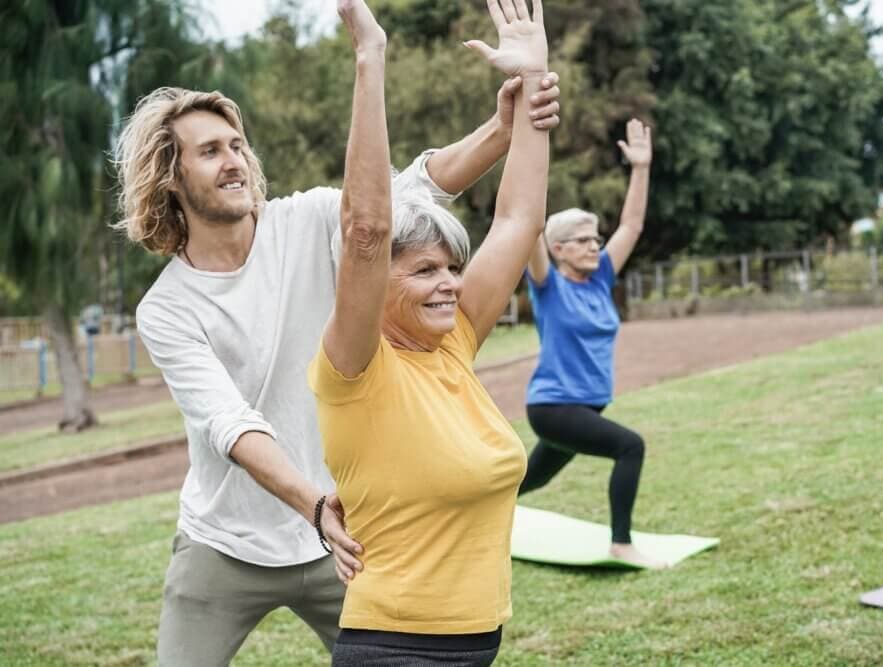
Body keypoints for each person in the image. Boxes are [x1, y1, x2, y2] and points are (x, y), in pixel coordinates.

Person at [113, 17, 561, 667]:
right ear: (169, 175)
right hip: (229, 541)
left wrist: (506, 126)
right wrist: (312, 501)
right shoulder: (167, 308)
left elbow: (421, 185)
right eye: (210, 151)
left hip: (342, 535)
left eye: (237, 144)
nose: (234, 159)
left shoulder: (305, 220)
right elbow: (230, 423)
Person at [308, 0, 550, 663]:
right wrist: (370, 56)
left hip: (476, 641)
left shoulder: (454, 343)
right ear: (374, 286)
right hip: (395, 647)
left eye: (452, 266)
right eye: (423, 270)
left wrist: (534, 83)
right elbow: (364, 231)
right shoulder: (356, 370)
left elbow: (520, 219)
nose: (449, 281)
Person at [518, 118, 662, 568]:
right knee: (629, 446)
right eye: (582, 241)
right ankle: (621, 542)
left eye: (596, 239)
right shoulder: (547, 285)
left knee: (526, 482)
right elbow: (527, 225)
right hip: (555, 407)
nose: (593, 247)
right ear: (557, 248)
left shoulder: (599, 279)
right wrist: (530, 150)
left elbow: (632, 224)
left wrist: (640, 167)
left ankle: (455, 514)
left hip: (585, 407)